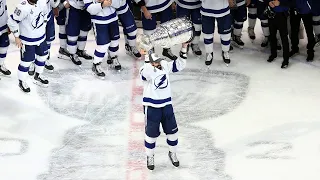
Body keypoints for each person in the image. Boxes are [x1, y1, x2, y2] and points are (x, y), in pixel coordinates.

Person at [140, 43, 188, 170]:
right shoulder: (145, 70)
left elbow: (180, 64)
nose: (156, 64)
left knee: (173, 133)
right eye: (153, 62)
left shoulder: (165, 66)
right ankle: (150, 156)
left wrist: (184, 48)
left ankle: (173, 153)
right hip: (152, 107)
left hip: (167, 105)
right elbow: (147, 72)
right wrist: (146, 57)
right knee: (151, 135)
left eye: (157, 61)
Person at [8, 0, 49, 92]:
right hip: (27, 41)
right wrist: (16, 36)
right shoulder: (22, 7)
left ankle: (37, 76)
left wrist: (44, 25)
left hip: (41, 38)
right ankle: (21, 82)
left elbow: (46, 14)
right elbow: (12, 21)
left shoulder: (42, 2)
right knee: (26, 62)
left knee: (42, 57)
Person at [84, 0, 121, 78]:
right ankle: (96, 64)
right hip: (99, 21)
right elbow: (90, 9)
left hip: (113, 19)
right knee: (103, 44)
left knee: (115, 41)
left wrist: (109, 1)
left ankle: (113, 57)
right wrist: (102, 4)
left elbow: (118, 4)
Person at [201, 0, 232, 66]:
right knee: (207, 33)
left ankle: (225, 51)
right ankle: (209, 53)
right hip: (206, 9)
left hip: (223, 9)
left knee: (225, 34)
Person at [66, 0, 93, 66]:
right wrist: (64, 2)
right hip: (73, 6)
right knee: (73, 31)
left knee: (84, 29)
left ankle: (80, 50)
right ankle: (72, 53)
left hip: (87, 6)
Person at [265, 0, 291, 68]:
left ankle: (286, 59)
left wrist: (280, 2)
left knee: (284, 37)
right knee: (272, 35)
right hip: (271, 14)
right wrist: (268, 2)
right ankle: (273, 54)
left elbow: (291, 2)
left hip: (282, 15)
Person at [0, 0, 11, 77]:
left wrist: (8, 23)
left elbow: (4, 9)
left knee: (4, 47)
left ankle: (0, 65)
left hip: (3, 25)